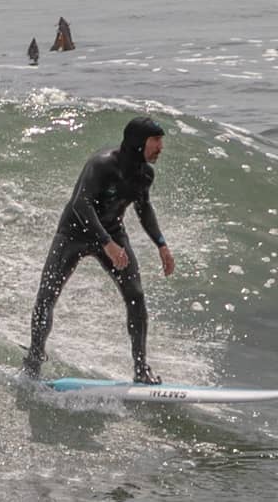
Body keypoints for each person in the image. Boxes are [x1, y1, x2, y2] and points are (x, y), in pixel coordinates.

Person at [26, 115, 172, 381]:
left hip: (113, 233)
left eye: (161, 140)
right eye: (156, 141)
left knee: (136, 297)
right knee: (47, 295)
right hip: (74, 232)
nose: (160, 147)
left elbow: (144, 209)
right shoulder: (102, 165)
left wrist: (161, 244)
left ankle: (141, 369)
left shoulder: (144, 175)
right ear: (139, 143)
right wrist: (108, 245)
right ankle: (34, 359)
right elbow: (81, 204)